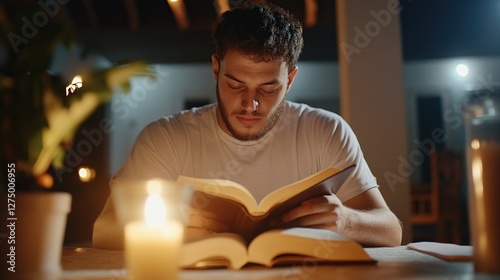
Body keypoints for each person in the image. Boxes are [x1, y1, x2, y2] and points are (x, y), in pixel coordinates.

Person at [93, 1, 402, 250]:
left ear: (290, 80)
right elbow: (103, 230)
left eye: (268, 89)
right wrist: (164, 229)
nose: (251, 104)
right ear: (216, 69)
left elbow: (391, 230)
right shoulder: (166, 138)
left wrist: (346, 221)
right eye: (235, 85)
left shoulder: (326, 132)